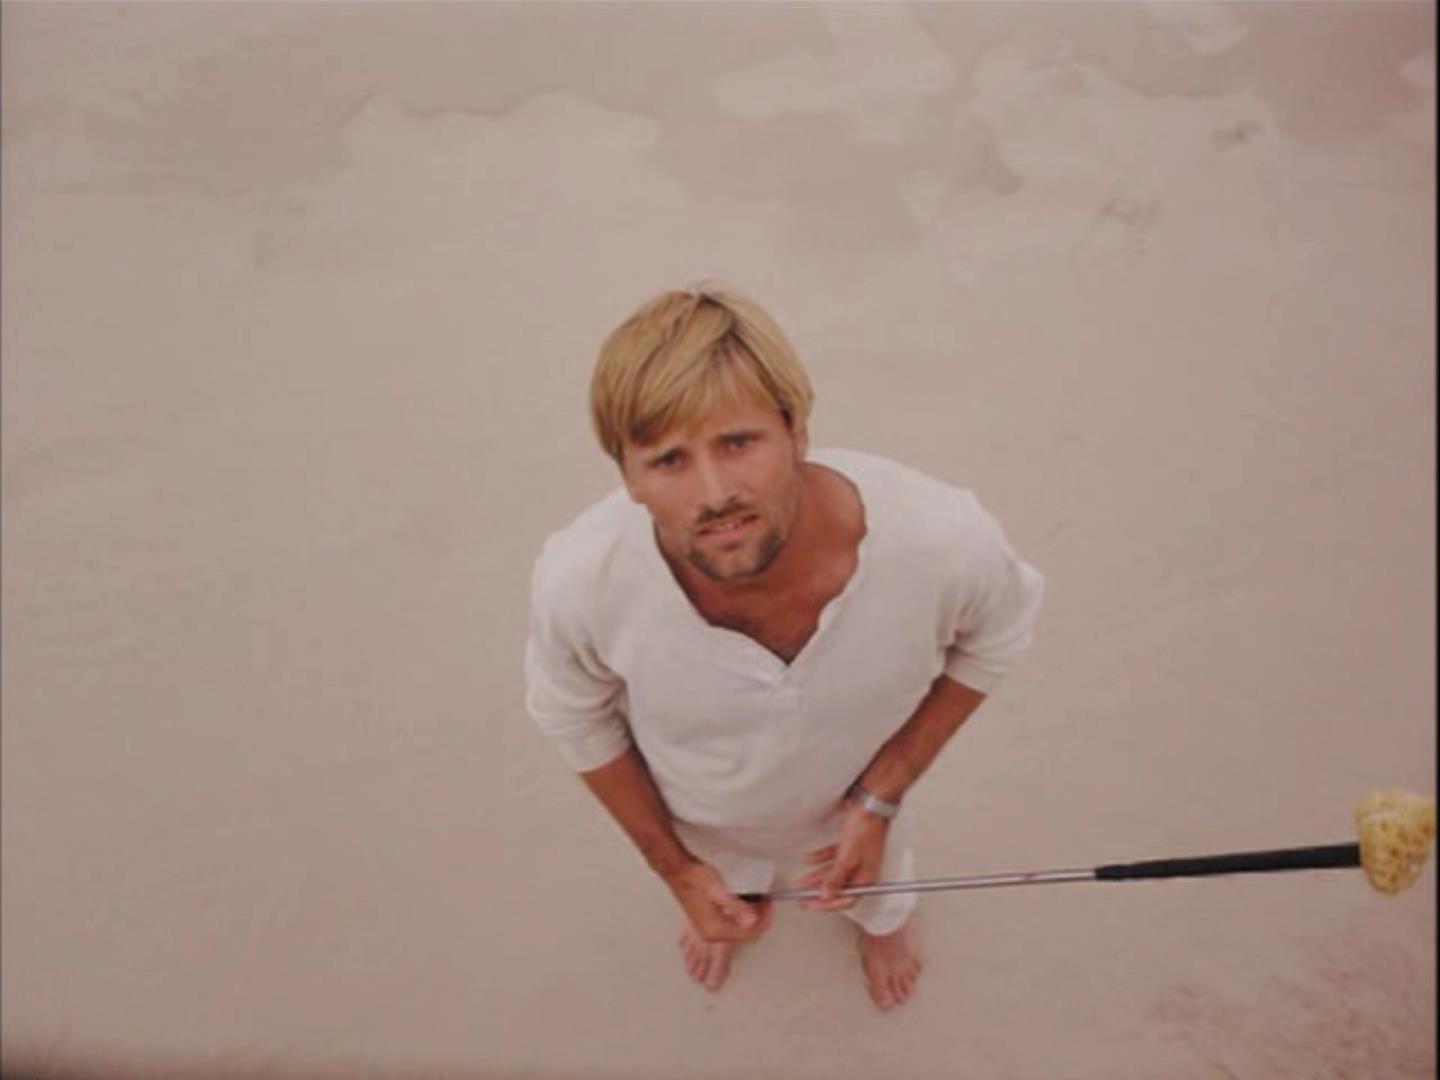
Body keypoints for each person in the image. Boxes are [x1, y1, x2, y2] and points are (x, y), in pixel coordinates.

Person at [524, 284, 1044, 1009]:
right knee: (721, 885)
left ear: (796, 430)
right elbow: (574, 717)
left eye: (737, 443)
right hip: (700, 815)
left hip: (864, 809)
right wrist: (675, 869)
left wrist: (882, 793)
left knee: (881, 889)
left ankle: (884, 922)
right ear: (629, 480)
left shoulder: (944, 540)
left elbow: (996, 636)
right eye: (669, 460)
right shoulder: (580, 578)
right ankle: (721, 895)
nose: (713, 494)